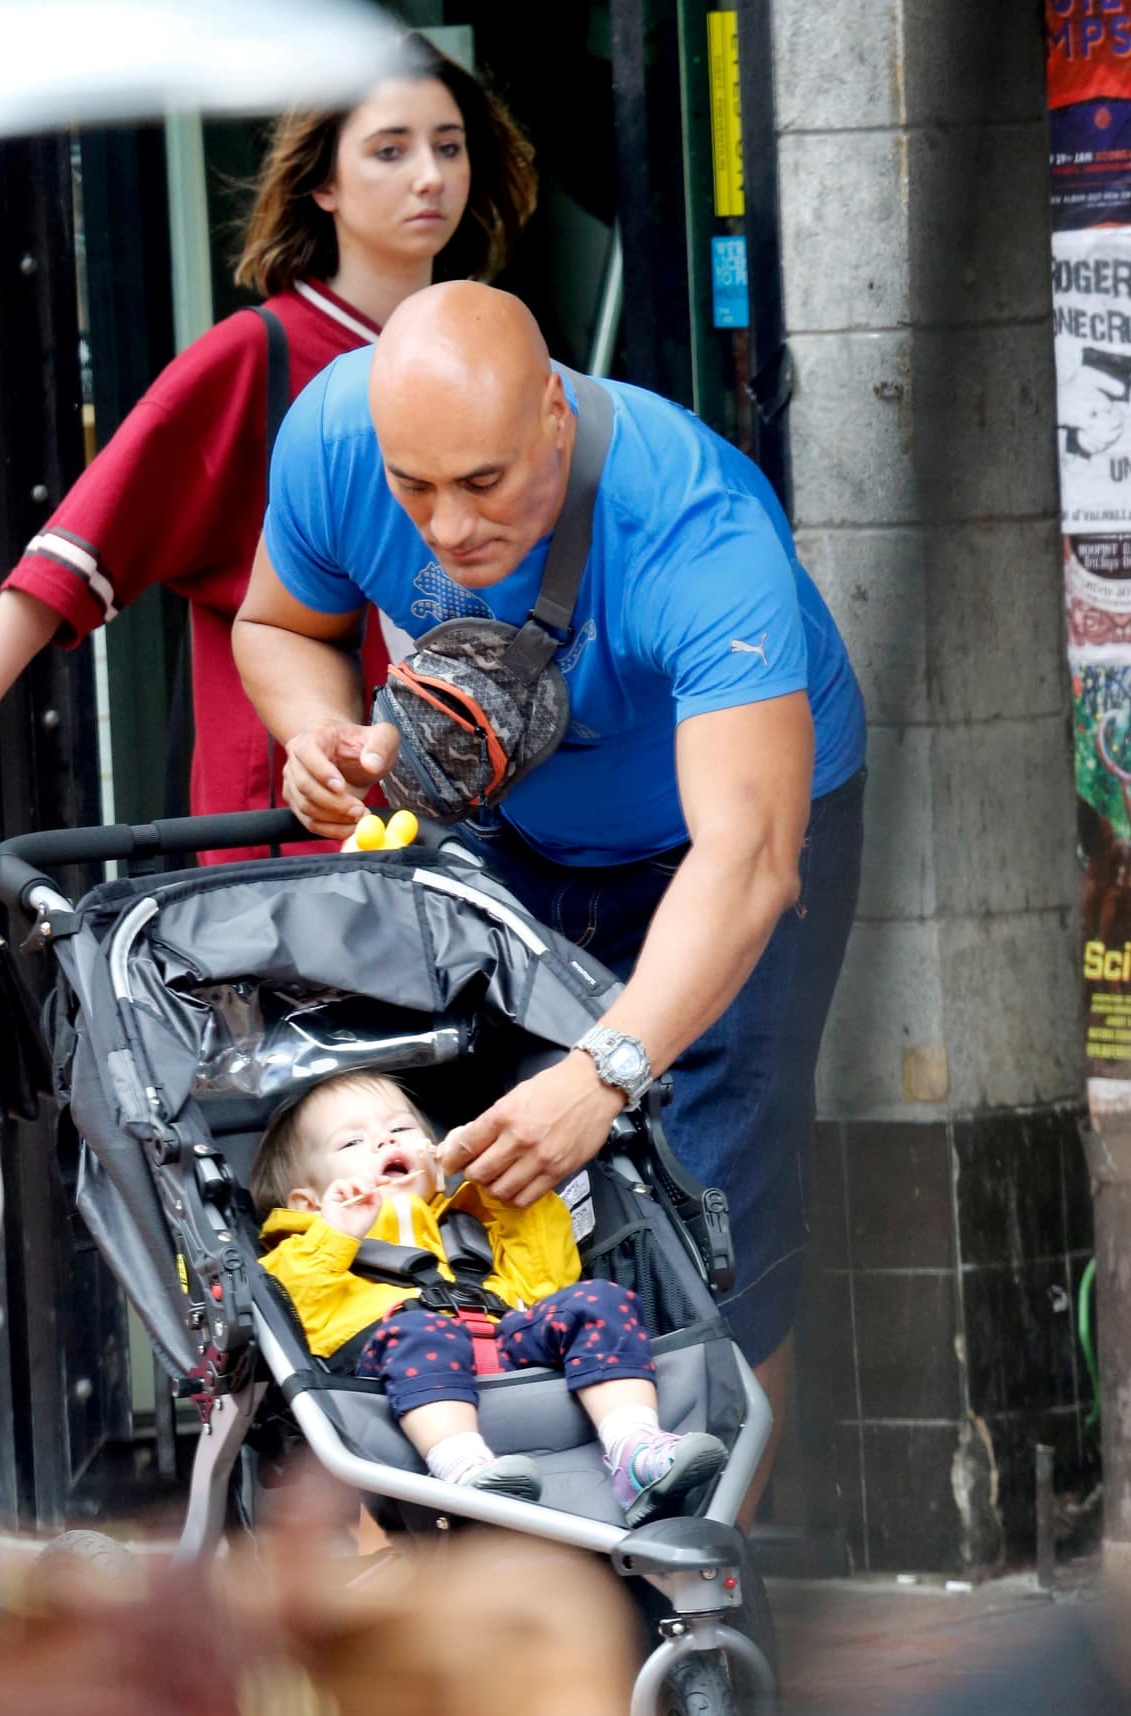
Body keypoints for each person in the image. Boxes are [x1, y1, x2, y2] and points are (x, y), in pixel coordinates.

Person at [233, 281, 868, 1522]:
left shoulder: (695, 522)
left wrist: (607, 1068)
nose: (444, 528)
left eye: (482, 482)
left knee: (711, 1174)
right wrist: (318, 736)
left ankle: (703, 1567)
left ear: (555, 418)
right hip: (508, 819)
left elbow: (747, 856)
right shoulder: (330, 436)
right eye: (411, 487)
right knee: (474, 1185)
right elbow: (278, 622)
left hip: (719, 837)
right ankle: (521, 1559)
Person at [0, 32, 536, 861]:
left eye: (449, 146)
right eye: (390, 150)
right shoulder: (257, 354)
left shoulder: (495, 348)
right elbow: (80, 550)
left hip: (476, 807)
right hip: (295, 822)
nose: (429, 175)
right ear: (322, 181)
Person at [255, 1071, 728, 1519]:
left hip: (509, 1345)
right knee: (420, 1329)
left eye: (400, 1128)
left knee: (595, 1299)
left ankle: (635, 1448)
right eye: (353, 1142)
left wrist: (494, 1189)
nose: (385, 1141)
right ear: (306, 1201)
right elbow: (291, 1303)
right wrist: (334, 1234)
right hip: (397, 1372)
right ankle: (463, 1468)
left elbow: (548, 1279)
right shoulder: (303, 1249)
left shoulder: (473, 1224)